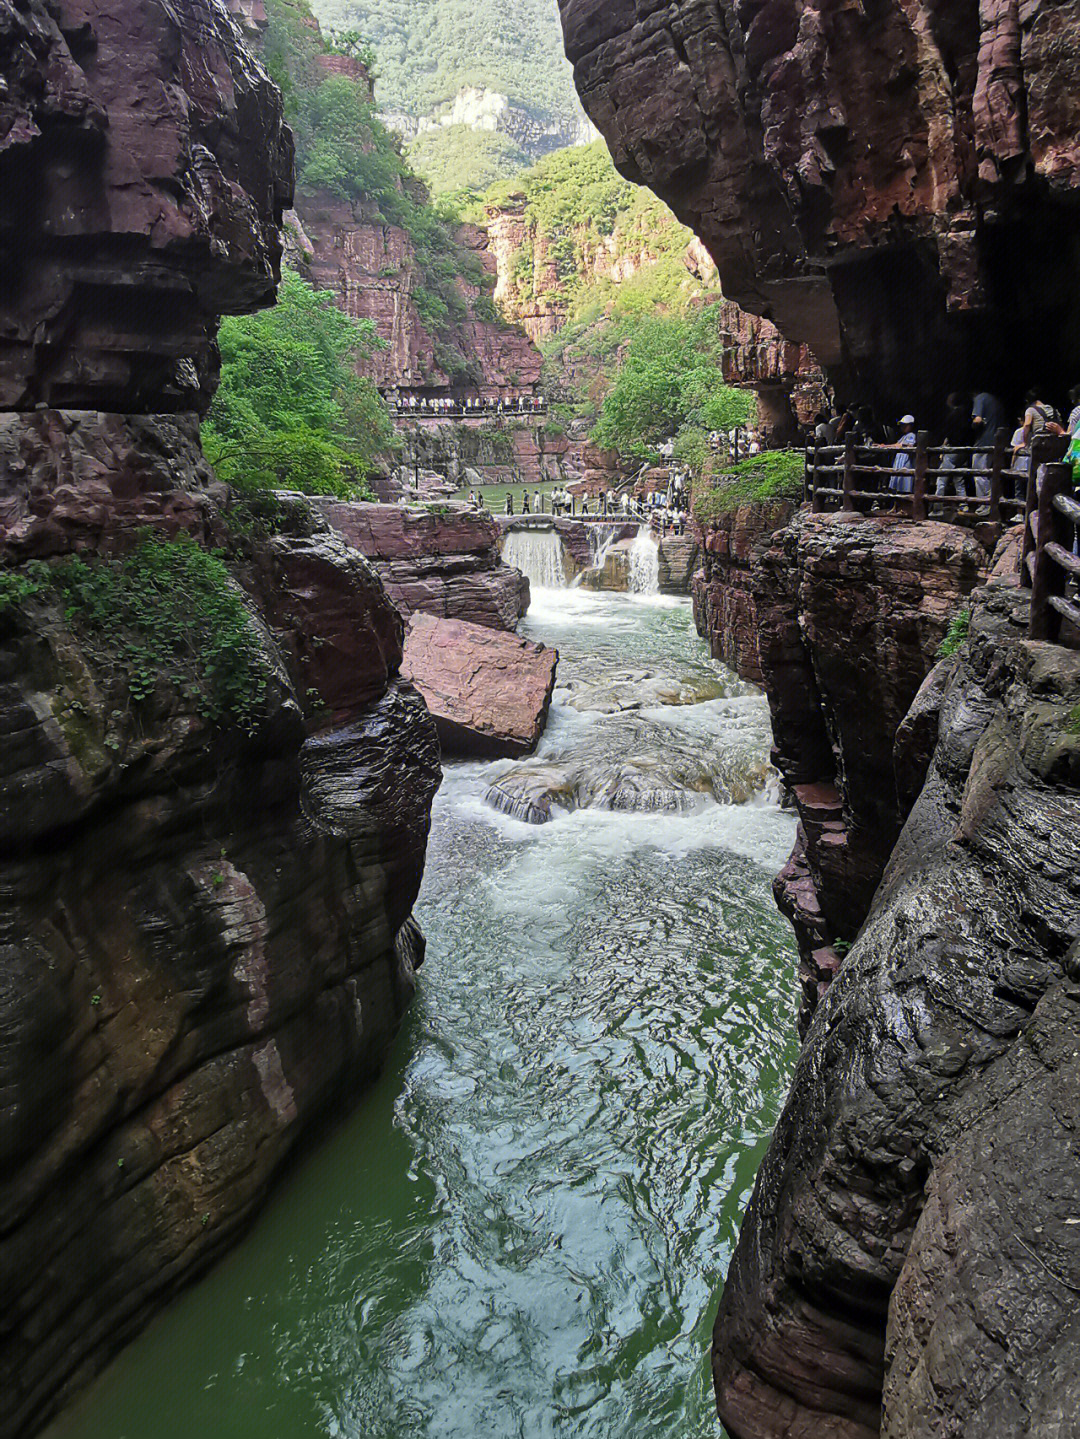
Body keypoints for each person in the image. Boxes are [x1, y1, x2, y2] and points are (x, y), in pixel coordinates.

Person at [936, 392, 973, 508]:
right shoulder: (968, 414)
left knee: (942, 479)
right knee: (959, 479)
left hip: (953, 449)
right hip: (964, 450)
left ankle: (937, 506)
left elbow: (948, 433)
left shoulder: (953, 415)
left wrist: (944, 447)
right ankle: (963, 504)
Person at [888, 415, 918, 502]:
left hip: (906, 461)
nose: (903, 427)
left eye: (905, 425)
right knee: (897, 485)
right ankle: (896, 507)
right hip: (900, 461)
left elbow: (906, 445)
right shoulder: (904, 436)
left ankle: (904, 507)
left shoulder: (911, 435)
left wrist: (886, 446)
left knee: (904, 484)